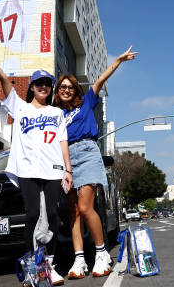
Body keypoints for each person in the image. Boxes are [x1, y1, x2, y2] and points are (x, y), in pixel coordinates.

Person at [0, 35, 72, 286]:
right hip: (27, 169)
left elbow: (62, 142)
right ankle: (31, 266)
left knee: (53, 214)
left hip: (52, 170)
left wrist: (68, 170)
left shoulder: (56, 113)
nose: (43, 86)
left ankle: (49, 266)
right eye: (38, 83)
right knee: (32, 214)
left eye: (47, 83)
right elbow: (4, 79)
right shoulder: (19, 107)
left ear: (50, 88)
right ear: (32, 87)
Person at [53, 46, 137, 279]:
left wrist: (118, 60)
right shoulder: (56, 114)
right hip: (66, 159)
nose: (67, 90)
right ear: (58, 92)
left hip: (88, 152)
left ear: (76, 90)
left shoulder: (87, 102)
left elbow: (100, 79)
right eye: (63, 88)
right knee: (73, 212)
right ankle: (79, 259)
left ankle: (101, 254)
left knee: (85, 207)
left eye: (70, 87)